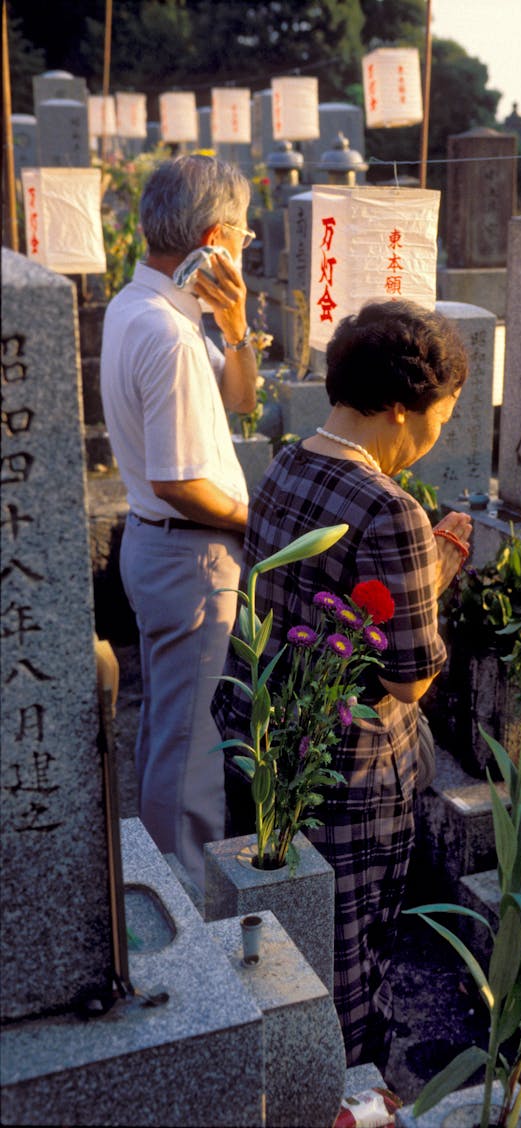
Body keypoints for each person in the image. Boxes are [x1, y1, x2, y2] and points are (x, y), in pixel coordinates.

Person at [211, 299, 472, 1067]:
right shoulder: (390, 507)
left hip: (264, 741)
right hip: (344, 770)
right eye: (442, 417)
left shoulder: (288, 461)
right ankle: (347, 1092)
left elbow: (316, 609)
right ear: (400, 409)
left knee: (278, 941)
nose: (437, 436)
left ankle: (279, 1079)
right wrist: (436, 570)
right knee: (347, 961)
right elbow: (407, 678)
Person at [100, 154, 258, 892]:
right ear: (214, 236)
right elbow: (178, 480)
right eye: (243, 235)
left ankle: (161, 888)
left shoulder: (143, 306)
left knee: (170, 730)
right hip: (190, 555)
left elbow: (239, 401)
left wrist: (237, 325)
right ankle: (185, 905)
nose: (245, 246)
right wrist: (259, 523)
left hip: (158, 546)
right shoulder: (167, 334)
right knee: (191, 750)